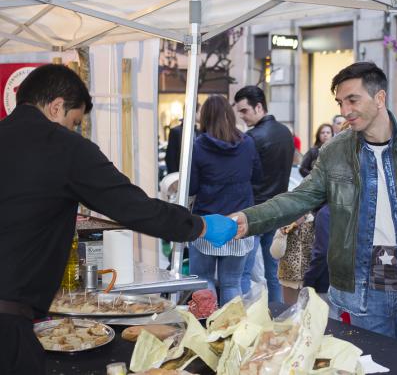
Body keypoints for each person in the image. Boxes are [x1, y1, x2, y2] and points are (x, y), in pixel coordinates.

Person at [0, 64, 235, 374]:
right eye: (73, 122)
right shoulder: (63, 147)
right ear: (56, 106)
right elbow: (132, 206)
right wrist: (200, 226)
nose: (73, 130)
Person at [229, 62, 397, 351]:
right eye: (341, 102)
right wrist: (249, 218)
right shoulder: (335, 151)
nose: (345, 110)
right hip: (359, 290)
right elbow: (299, 198)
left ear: (380, 98)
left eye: (353, 99)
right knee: (366, 366)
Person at [187, 95, 262, 306]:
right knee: (232, 283)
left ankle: (205, 330)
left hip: (206, 222)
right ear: (229, 115)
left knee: (204, 281)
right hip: (239, 221)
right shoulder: (248, 143)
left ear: (205, 117)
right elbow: (258, 177)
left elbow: (191, 187)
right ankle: (233, 331)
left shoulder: (198, 146)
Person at [234, 85, 294, 303]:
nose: (241, 116)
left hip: (254, 212)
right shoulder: (285, 133)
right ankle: (276, 317)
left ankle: (245, 321)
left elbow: (245, 175)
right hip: (278, 209)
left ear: (258, 107)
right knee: (274, 272)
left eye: (244, 111)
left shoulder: (251, 138)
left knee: (243, 272)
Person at [164, 103, 201, 174]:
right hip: (180, 176)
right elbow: (170, 158)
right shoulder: (176, 131)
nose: (202, 114)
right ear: (194, 112)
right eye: (200, 111)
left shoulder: (200, 132)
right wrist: (175, 177)